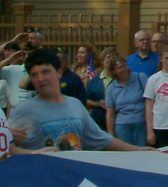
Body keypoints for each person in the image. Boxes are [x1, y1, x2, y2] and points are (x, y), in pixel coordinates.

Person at [10, 48, 146, 153]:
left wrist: (138, 150)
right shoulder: (23, 111)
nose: (41, 79)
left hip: (75, 180)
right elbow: (5, 148)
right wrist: (33, 152)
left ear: (59, 72)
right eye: (34, 75)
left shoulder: (75, 105)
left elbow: (101, 139)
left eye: (46, 72)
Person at [104, 53, 149, 146]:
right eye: (119, 68)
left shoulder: (141, 78)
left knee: (142, 153)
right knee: (125, 154)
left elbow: (150, 101)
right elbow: (110, 114)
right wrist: (110, 135)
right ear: (114, 71)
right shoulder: (111, 88)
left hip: (141, 124)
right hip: (122, 125)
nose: (123, 69)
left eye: (124, 66)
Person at [84, 49, 113, 129]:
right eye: (108, 57)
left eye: (113, 58)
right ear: (103, 60)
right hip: (97, 120)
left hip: (115, 120)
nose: (110, 60)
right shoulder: (94, 80)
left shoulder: (118, 80)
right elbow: (86, 100)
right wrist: (97, 104)